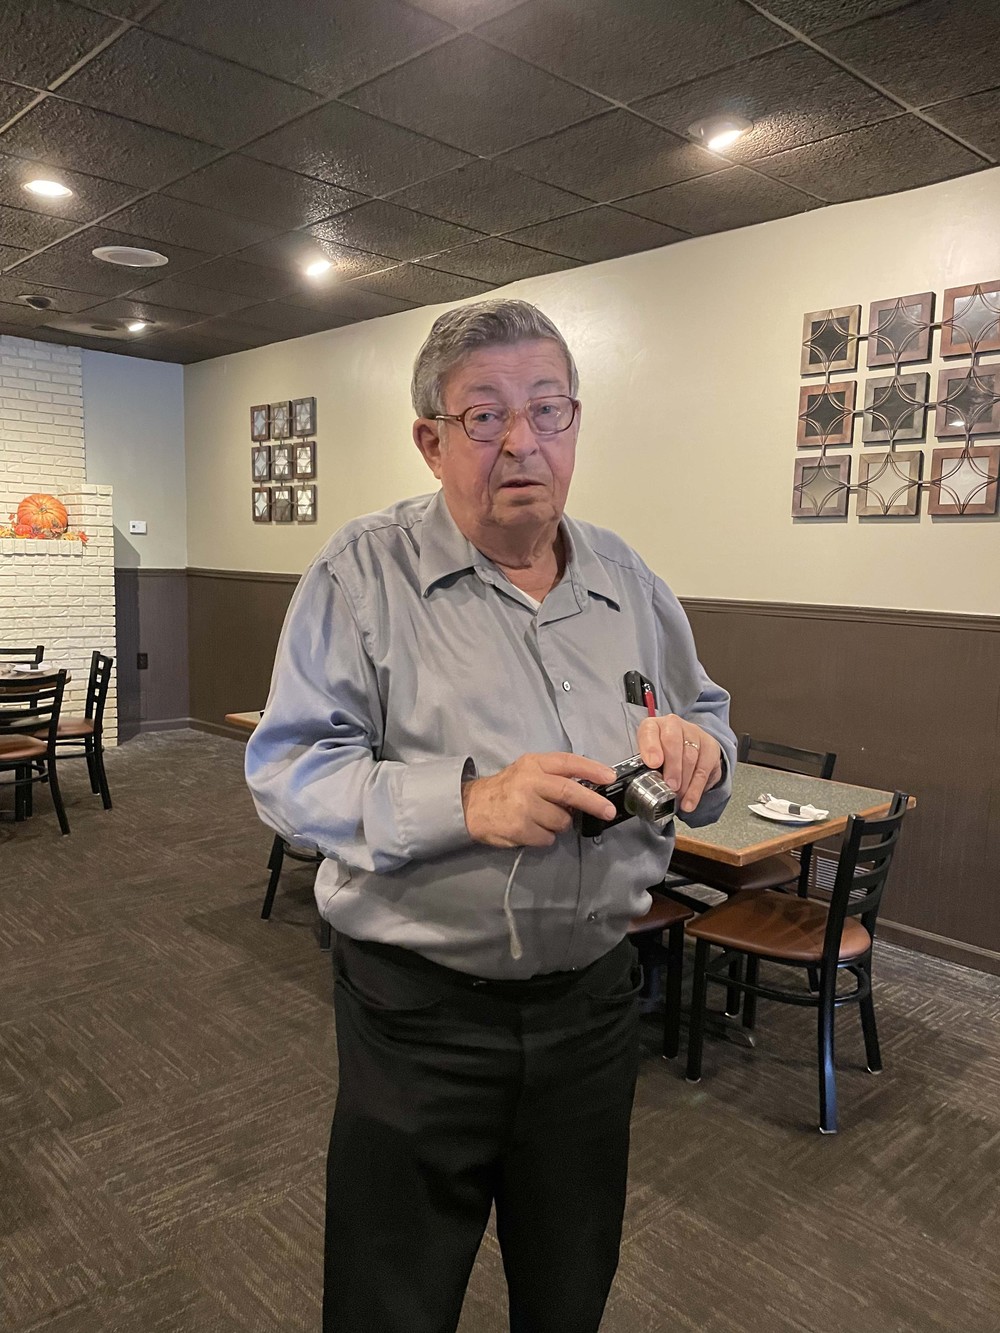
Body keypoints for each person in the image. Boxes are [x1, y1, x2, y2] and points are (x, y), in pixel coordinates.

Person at [245, 299, 736, 1333]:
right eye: (484, 416)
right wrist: (466, 800)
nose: (522, 441)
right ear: (431, 441)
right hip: (419, 1018)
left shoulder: (630, 582)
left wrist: (706, 752)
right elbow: (288, 772)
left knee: (569, 1290)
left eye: (548, 409)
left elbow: (705, 716)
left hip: (595, 1010)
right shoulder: (360, 575)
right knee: (390, 1301)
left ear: (574, 424)